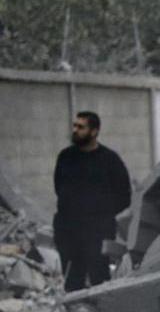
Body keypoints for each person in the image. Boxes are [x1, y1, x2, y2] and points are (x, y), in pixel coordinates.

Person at [52, 111, 132, 291]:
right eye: (75, 126)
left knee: (99, 276)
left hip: (98, 229)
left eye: (81, 127)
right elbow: (59, 187)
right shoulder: (66, 157)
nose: (75, 130)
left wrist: (102, 214)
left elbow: (124, 195)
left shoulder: (110, 160)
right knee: (72, 278)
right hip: (68, 227)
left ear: (94, 131)